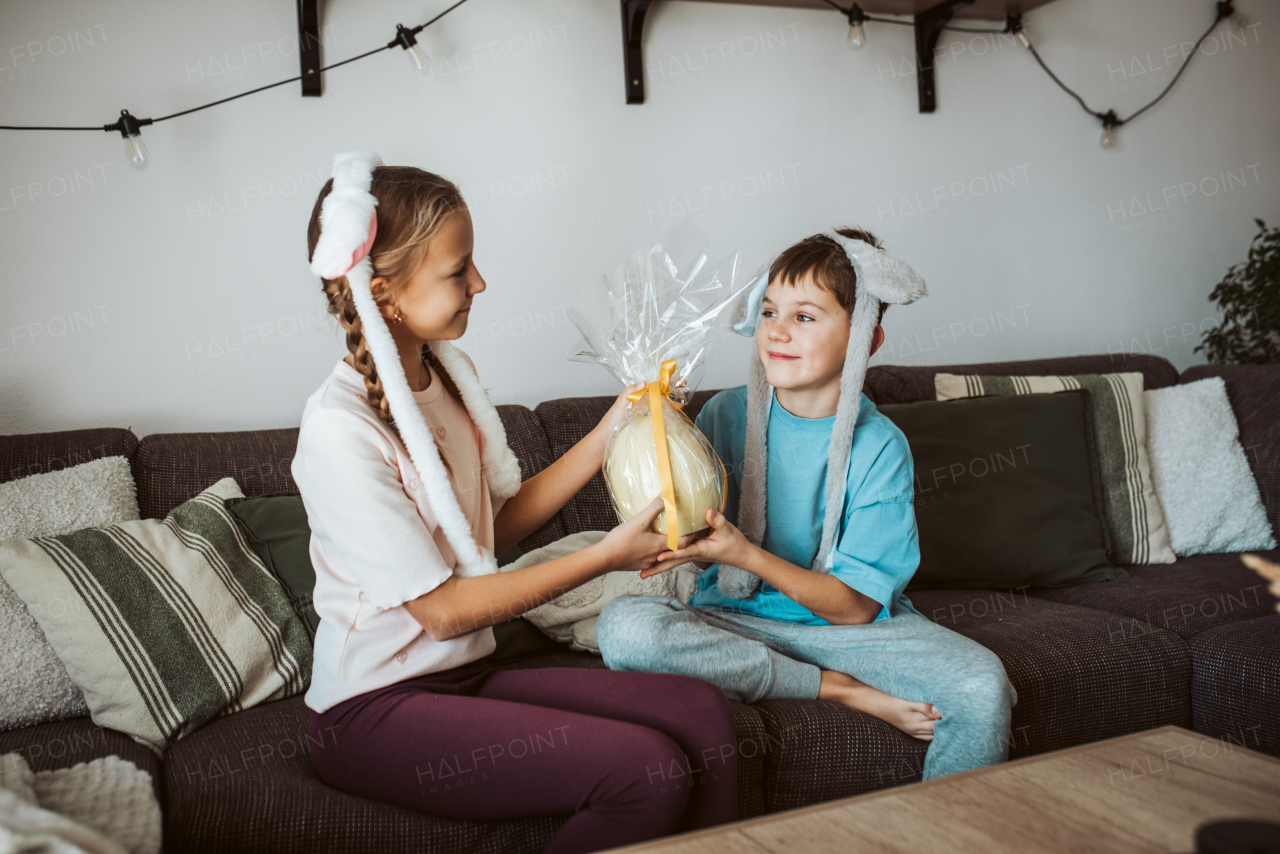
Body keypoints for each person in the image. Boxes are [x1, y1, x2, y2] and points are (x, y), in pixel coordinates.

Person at [293, 151, 738, 854]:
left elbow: (487, 531)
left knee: (705, 713)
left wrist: (611, 428)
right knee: (647, 773)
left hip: (465, 676)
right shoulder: (339, 430)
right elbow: (441, 613)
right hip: (372, 711)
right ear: (385, 297)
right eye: (456, 270)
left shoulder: (447, 375)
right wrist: (605, 555)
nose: (480, 281)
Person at [596, 228, 1017, 780]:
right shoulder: (723, 415)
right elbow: (689, 545)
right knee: (626, 630)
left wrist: (746, 555)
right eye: (769, 312)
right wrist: (655, 448)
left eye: (804, 317)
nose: (776, 332)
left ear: (866, 338)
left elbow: (857, 609)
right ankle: (837, 690)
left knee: (983, 687)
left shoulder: (880, 447)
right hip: (730, 619)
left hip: (848, 633)